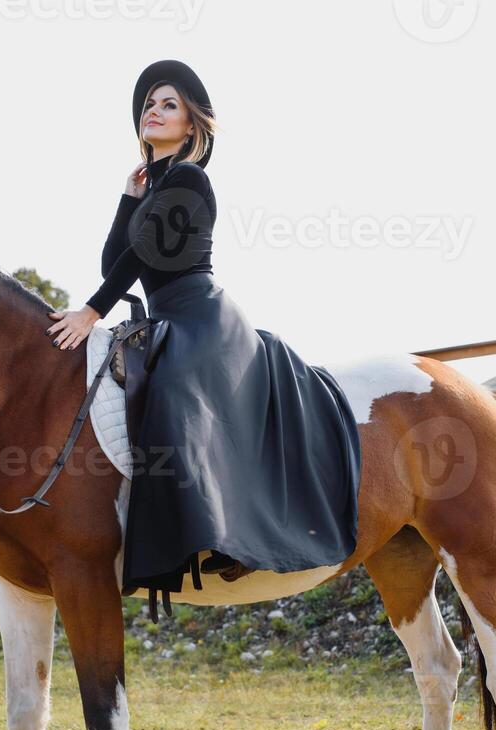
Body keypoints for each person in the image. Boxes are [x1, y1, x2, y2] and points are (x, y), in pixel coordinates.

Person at [44, 59, 362, 615]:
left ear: (191, 125)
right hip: (164, 312)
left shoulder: (190, 178)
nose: (154, 110)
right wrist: (126, 198)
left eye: (169, 104)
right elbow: (112, 260)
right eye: (149, 103)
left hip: (202, 313)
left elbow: (147, 256)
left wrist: (91, 312)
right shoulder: (149, 187)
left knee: (177, 389)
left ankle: (219, 532)